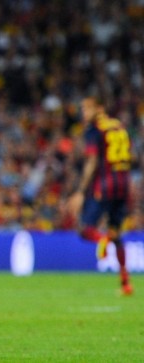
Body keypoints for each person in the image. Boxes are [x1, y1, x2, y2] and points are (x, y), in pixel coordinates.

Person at [67, 96, 134, 295]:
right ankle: (125, 282)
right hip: (124, 184)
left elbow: (92, 161)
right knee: (117, 234)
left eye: (87, 109)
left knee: (85, 229)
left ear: (99, 108)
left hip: (105, 185)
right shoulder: (119, 126)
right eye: (82, 109)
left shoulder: (95, 129)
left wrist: (80, 192)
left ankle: (102, 239)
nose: (84, 114)